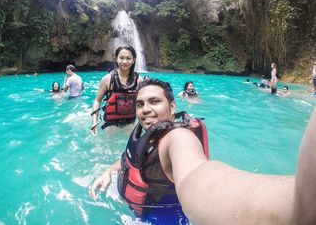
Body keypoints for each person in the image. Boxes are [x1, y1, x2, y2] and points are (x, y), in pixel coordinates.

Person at [90, 78, 316, 225]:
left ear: (172, 107)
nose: (145, 109)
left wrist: (292, 207)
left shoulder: (176, 138)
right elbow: (131, 161)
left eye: (154, 102)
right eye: (140, 104)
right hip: (138, 212)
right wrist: (109, 170)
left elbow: (199, 175)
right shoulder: (144, 132)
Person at [91, 45, 143, 135]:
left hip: (130, 123)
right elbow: (97, 100)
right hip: (110, 124)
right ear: (116, 59)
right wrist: (94, 122)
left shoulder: (139, 80)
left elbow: (143, 103)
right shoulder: (107, 79)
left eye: (128, 58)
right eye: (121, 58)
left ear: (133, 60)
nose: (124, 61)